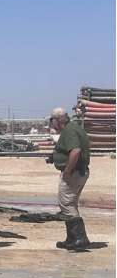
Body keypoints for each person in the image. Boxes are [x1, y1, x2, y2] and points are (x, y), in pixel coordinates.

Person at [48, 107, 91, 250]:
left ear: (56, 120)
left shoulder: (69, 131)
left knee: (66, 205)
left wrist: (67, 171)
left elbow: (76, 151)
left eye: (51, 120)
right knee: (71, 204)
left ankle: (80, 238)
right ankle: (72, 238)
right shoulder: (73, 128)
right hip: (78, 171)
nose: (51, 123)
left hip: (73, 173)